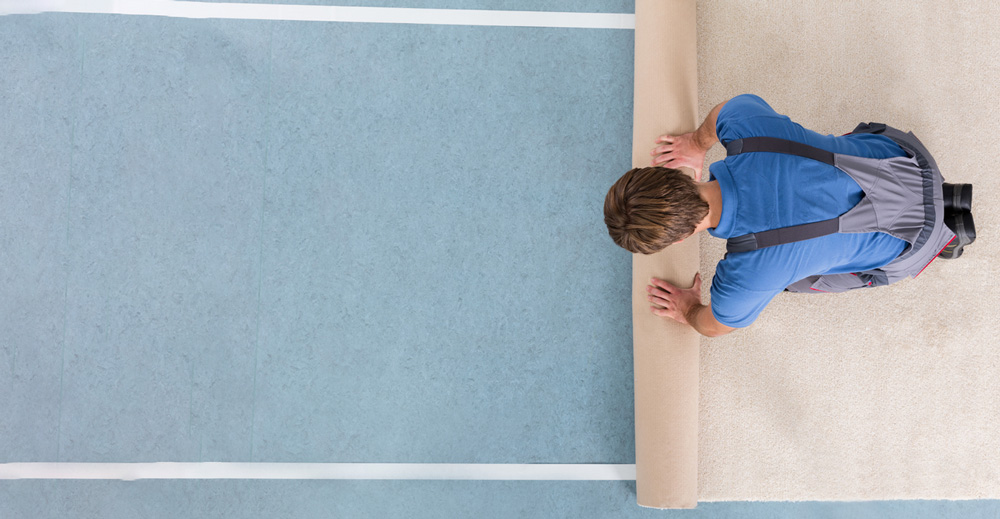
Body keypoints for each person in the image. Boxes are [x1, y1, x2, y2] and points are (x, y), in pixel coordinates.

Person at [603, 94, 971, 337]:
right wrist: (697, 143)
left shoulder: (744, 277)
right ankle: (943, 201)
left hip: (915, 245)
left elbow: (715, 325)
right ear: (676, 175)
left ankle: (946, 238)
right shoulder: (745, 128)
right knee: (821, 151)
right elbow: (723, 112)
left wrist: (687, 310)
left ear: (680, 238)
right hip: (911, 161)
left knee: (795, 282)